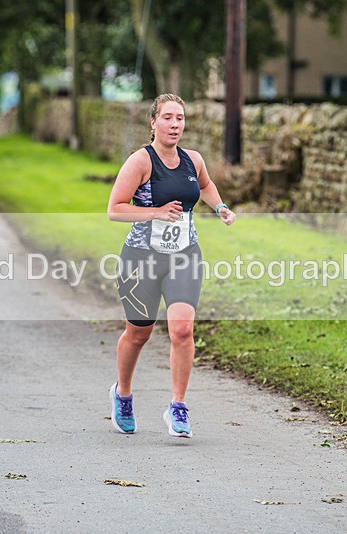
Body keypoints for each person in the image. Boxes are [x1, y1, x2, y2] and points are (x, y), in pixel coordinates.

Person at [106, 94, 235, 438]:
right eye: (167, 118)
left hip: (184, 255)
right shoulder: (140, 162)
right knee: (139, 333)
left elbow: (205, 186)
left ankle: (177, 406)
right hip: (141, 258)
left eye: (180, 118)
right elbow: (115, 208)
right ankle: (123, 394)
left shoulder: (193, 159)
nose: (175, 124)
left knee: (181, 328)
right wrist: (155, 212)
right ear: (153, 122)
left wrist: (219, 206)